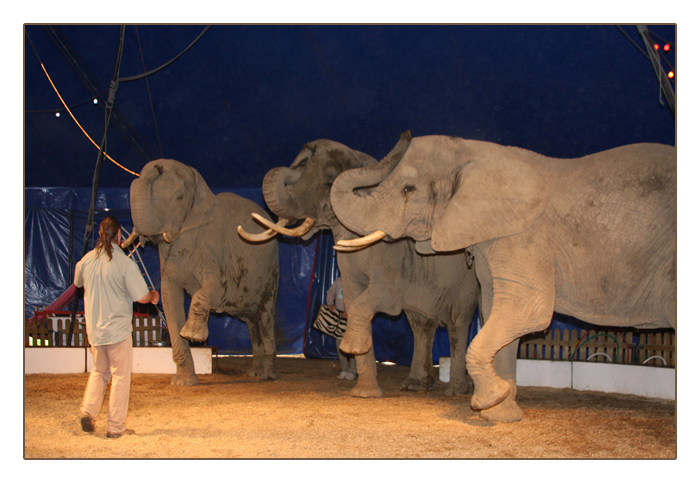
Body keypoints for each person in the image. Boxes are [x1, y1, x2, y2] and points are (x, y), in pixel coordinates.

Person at [74, 216, 159, 438]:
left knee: (99, 371)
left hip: (95, 330)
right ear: (119, 235)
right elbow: (141, 297)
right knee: (120, 377)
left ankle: (88, 412)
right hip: (118, 331)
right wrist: (153, 296)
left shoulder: (86, 261)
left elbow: (77, 282)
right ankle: (115, 427)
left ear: (100, 234)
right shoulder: (124, 263)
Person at [326, 276, 357, 380]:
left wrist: (349, 310)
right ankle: (345, 369)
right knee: (340, 345)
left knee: (352, 345)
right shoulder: (339, 281)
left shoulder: (355, 281)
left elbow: (357, 298)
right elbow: (330, 293)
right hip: (339, 318)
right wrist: (330, 304)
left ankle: (353, 370)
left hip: (352, 318)